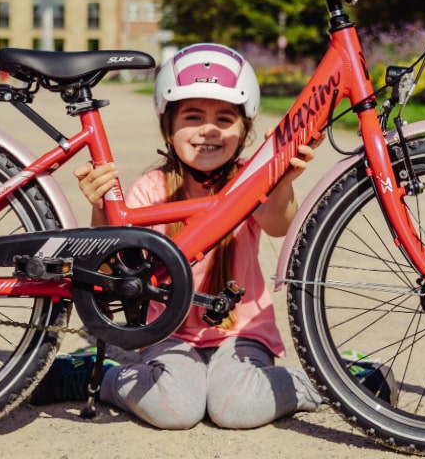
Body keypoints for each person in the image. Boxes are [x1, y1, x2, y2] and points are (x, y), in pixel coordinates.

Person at [30, 43, 326, 430]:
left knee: (233, 409)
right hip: (170, 335)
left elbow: (278, 224)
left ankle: (335, 380)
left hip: (242, 333)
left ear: (245, 129)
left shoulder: (247, 181)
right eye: (192, 116)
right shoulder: (152, 187)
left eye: (225, 118)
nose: (208, 129)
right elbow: (112, 265)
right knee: (177, 411)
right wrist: (102, 205)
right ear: (167, 127)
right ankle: (91, 375)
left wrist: (282, 181)